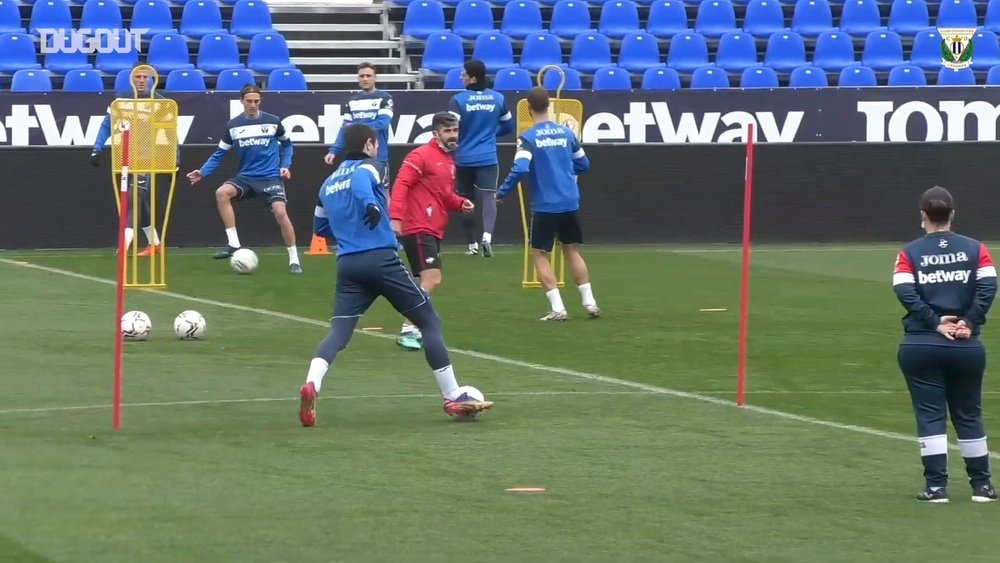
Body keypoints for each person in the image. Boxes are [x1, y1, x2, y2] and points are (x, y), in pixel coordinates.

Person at [298, 123, 492, 427]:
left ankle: (312, 384)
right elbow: (364, 184)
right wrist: (372, 206)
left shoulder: (327, 184)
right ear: (370, 144)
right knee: (429, 321)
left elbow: (320, 228)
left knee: (339, 333)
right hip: (380, 260)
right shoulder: (370, 167)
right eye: (376, 145)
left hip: (348, 265)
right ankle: (453, 394)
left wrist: (349, 227)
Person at [892, 185, 998, 503]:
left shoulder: (908, 252)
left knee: (930, 415)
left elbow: (904, 291)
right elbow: (989, 286)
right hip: (966, 347)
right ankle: (982, 486)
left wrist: (935, 322)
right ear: (951, 214)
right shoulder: (975, 248)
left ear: (923, 215)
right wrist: (968, 321)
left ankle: (937, 487)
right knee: (969, 414)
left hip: (921, 344)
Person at [496, 87, 599, 321]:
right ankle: (590, 303)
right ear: (549, 107)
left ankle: (558, 308)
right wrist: (564, 173)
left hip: (545, 204)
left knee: (539, 254)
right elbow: (584, 164)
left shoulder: (528, 138)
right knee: (572, 251)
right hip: (570, 200)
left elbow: (520, 168)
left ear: (529, 109)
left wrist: (502, 192)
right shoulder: (567, 134)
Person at [186, 84, 301, 274]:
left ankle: (294, 260)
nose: (253, 105)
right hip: (246, 178)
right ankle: (233, 243)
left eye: (256, 101)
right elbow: (219, 153)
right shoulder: (233, 125)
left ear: (260, 101)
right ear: (242, 101)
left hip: (270, 177)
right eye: (249, 101)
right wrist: (202, 172)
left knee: (281, 212)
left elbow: (287, 145)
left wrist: (285, 166)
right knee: (222, 193)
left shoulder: (273, 121)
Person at [389, 112, 474, 350]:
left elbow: (443, 195)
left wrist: (459, 203)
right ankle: (409, 329)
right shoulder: (420, 155)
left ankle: (417, 327)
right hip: (417, 226)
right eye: (448, 131)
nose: (453, 136)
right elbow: (401, 184)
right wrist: (395, 217)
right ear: (436, 133)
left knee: (420, 281)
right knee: (433, 278)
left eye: (455, 130)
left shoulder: (448, 161)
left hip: (433, 228)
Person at [91, 69, 168, 257]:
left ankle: (124, 246)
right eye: (138, 77)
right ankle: (155, 244)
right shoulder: (120, 99)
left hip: (148, 157)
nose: (141, 80)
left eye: (145, 77)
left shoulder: (159, 101)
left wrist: (175, 157)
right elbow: (107, 125)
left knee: (135, 197)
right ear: (131, 79)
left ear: (151, 79)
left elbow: (169, 131)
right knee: (140, 200)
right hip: (124, 157)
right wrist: (97, 148)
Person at [447, 59, 514, 257]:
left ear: (473, 78)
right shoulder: (498, 98)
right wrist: (491, 134)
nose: (461, 77)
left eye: (464, 74)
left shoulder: (458, 100)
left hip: (464, 157)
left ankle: (472, 245)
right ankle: (487, 237)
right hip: (487, 157)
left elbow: (452, 130)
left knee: (466, 201)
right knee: (488, 198)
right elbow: (509, 126)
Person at [325, 62, 394, 188]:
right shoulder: (352, 101)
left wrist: (356, 128)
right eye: (362, 76)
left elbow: (382, 124)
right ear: (358, 78)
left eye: (368, 75)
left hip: (378, 157)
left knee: (383, 194)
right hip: (355, 158)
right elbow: (345, 129)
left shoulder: (385, 98)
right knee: (357, 191)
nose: (365, 79)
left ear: (375, 78)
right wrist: (333, 151)